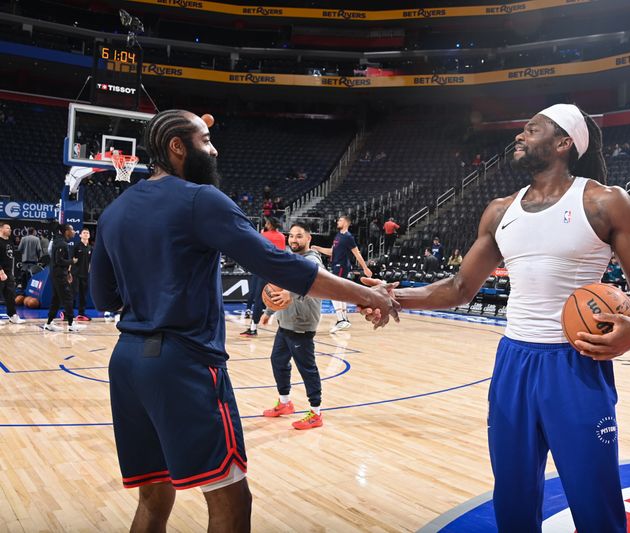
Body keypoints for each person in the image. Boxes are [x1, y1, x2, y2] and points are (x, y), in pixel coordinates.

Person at [89, 109, 398, 533]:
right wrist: (367, 294)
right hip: (183, 364)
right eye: (205, 141)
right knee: (231, 501)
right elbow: (285, 266)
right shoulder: (200, 199)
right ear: (177, 146)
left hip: (127, 364)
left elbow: (104, 298)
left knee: (154, 497)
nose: (214, 150)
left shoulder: (114, 212)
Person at [363, 103, 630, 530]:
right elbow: (458, 288)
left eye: (531, 129)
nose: (519, 136)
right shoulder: (500, 210)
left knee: (594, 498)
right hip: (513, 363)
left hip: (576, 361)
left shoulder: (604, 201)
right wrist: (393, 297)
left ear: (563, 143)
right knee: (514, 495)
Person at [262, 222, 325, 430]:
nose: (294, 240)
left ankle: (316, 412)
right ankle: (285, 402)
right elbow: (280, 286)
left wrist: (293, 292)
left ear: (309, 239)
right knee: (278, 361)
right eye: (291, 236)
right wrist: (269, 312)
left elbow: (315, 284)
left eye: (299, 236)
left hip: (301, 324)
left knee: (307, 368)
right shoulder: (290, 259)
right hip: (285, 322)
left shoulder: (312, 260)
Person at [312, 215, 372, 333]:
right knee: (339, 293)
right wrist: (317, 248)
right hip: (336, 265)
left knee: (333, 292)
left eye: (340, 220)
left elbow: (357, 253)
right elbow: (331, 251)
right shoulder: (338, 235)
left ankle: (341, 320)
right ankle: (344, 320)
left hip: (341, 266)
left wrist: (365, 268)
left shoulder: (348, 237)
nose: (337, 221)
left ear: (346, 222)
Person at [240, 217, 285, 337]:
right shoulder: (282, 236)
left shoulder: (263, 235)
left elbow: (256, 251)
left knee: (258, 298)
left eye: (266, 223)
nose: (265, 224)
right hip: (277, 270)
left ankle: (253, 328)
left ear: (269, 224)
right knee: (278, 298)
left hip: (262, 269)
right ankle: (283, 327)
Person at [44, 224, 80, 332]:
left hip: (58, 273)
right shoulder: (61, 243)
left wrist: (68, 272)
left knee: (56, 299)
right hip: (59, 275)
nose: (74, 232)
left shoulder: (59, 241)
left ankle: (49, 323)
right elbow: (58, 261)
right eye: (72, 230)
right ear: (66, 231)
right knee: (68, 298)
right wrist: (71, 261)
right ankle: (71, 324)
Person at [0, 223, 25, 324]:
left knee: (10, 294)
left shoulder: (9, 242)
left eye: (10, 228)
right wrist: (1, 272)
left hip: (8, 272)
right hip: (1, 271)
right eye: (8, 228)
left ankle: (12, 315)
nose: (10, 230)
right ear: (1, 229)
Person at [72, 228, 92, 321]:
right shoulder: (76, 246)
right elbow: (71, 260)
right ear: (80, 235)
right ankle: (68, 313)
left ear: (89, 235)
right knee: (74, 293)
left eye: (87, 233)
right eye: (84, 233)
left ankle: (81, 314)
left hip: (85, 275)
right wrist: (69, 273)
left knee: (83, 295)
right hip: (76, 274)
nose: (86, 234)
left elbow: (91, 262)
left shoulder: (90, 248)